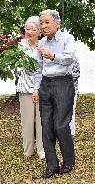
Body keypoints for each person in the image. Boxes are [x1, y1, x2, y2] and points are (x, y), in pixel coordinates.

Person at [32, 9, 76, 178]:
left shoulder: (67, 38)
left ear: (57, 23)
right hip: (45, 85)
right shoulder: (41, 42)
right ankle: (52, 165)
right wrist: (36, 87)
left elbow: (70, 57)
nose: (43, 26)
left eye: (46, 22)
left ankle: (69, 161)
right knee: (46, 126)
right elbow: (38, 69)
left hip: (63, 83)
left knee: (60, 125)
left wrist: (52, 55)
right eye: (41, 23)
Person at [16, 16, 45, 159]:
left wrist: (37, 88)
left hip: (40, 88)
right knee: (27, 121)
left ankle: (41, 149)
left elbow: (44, 69)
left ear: (40, 31)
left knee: (41, 121)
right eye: (28, 29)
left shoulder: (44, 45)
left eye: (34, 29)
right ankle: (28, 150)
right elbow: (18, 67)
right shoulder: (20, 45)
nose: (30, 32)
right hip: (24, 88)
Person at [70, 56, 80, 136]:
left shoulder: (74, 58)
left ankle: (71, 134)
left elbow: (77, 74)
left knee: (71, 113)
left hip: (72, 90)